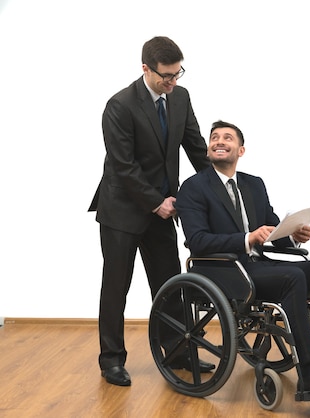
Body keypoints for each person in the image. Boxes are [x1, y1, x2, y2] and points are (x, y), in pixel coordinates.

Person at [175, 120, 310, 398]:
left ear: (240, 150)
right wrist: (247, 238)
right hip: (221, 271)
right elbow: (197, 241)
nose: (219, 141)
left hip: (257, 266)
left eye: (227, 138)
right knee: (294, 276)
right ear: (208, 150)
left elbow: (272, 229)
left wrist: (293, 236)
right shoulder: (193, 187)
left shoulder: (254, 185)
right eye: (214, 138)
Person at [88, 36, 214, 387]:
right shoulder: (120, 105)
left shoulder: (181, 97)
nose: (173, 83)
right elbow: (123, 166)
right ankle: (111, 360)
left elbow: (196, 148)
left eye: (178, 75)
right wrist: (155, 203)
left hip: (162, 209)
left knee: (170, 286)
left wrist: (221, 186)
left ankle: (177, 352)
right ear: (145, 68)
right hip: (122, 212)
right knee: (116, 288)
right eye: (166, 77)